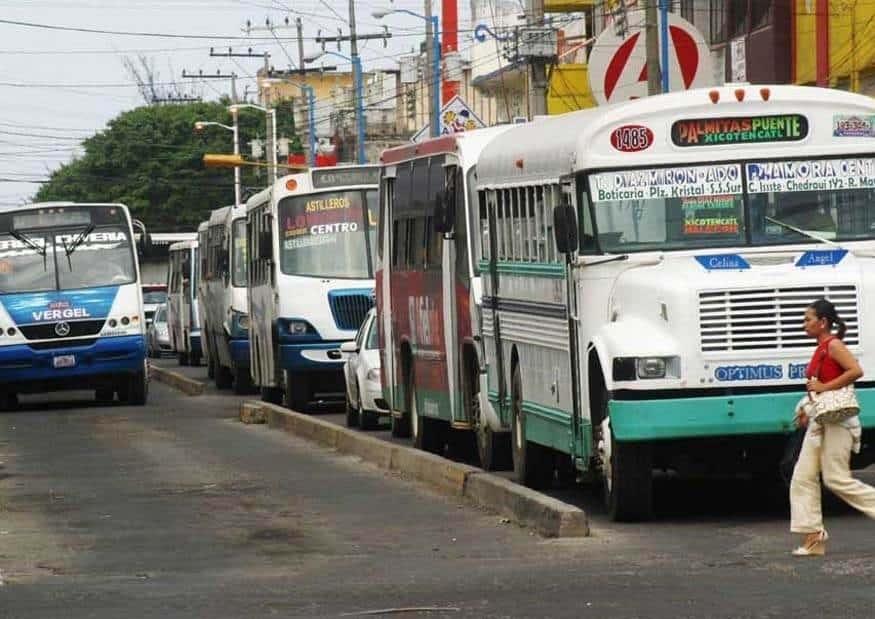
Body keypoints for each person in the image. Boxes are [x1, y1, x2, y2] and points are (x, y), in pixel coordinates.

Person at [790, 298, 875, 556]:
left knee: (836, 479)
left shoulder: (834, 345)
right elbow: (817, 387)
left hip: (838, 422)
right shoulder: (820, 348)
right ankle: (814, 536)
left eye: (808, 319)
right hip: (820, 420)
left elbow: (855, 371)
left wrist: (825, 388)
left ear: (823, 322)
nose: (804, 324)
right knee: (802, 477)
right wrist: (805, 409)